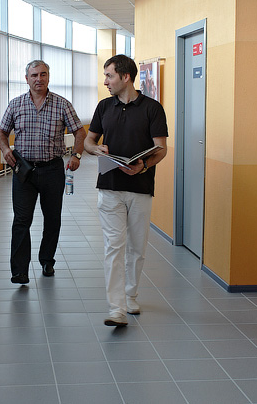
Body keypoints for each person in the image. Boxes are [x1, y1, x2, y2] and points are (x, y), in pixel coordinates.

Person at [84, 54, 168, 327]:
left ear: (126, 77)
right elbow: (88, 141)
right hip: (109, 186)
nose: (105, 81)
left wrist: (144, 166)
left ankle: (131, 295)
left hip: (140, 187)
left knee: (137, 248)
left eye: (109, 76)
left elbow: (161, 148)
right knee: (113, 247)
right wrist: (96, 149)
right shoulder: (104, 106)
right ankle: (116, 308)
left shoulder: (152, 108)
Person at [0, 60, 86, 284]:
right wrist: (6, 149)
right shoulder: (16, 104)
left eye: (43, 74)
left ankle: (47, 260)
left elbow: (80, 132)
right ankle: (19, 271)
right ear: (26, 79)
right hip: (24, 171)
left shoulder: (62, 104)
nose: (39, 79)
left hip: (52, 170)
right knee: (21, 220)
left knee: (52, 218)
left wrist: (76, 155)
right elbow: (1, 132)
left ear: (48, 77)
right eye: (34, 75)